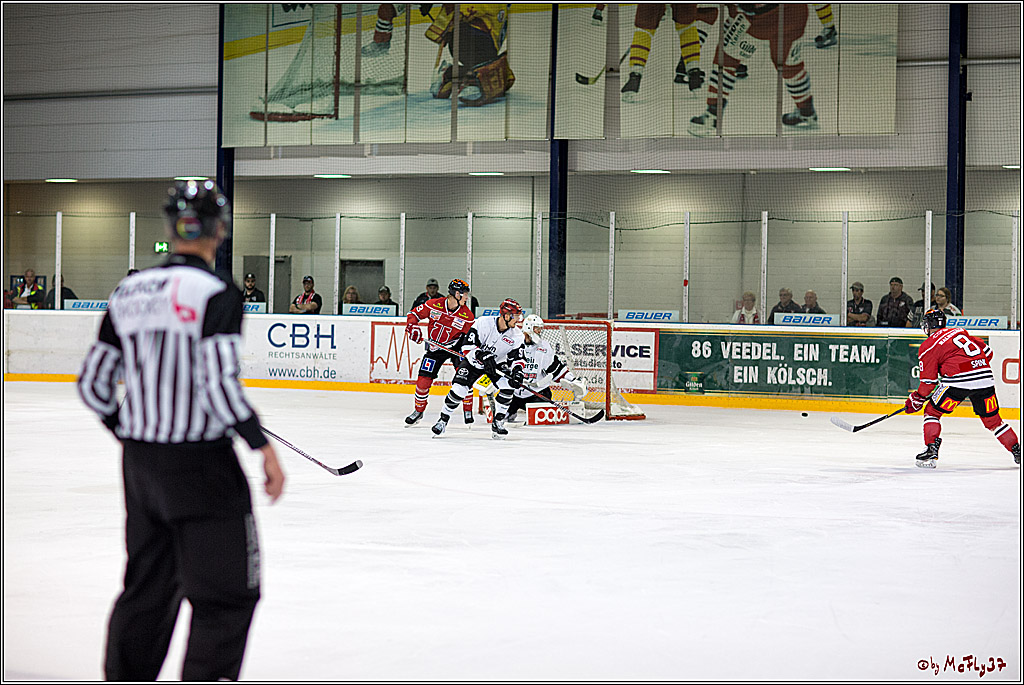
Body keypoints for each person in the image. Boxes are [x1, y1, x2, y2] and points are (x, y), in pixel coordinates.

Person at [77, 180, 285, 681]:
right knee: (228, 596)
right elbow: (217, 385)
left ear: (172, 229)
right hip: (202, 467)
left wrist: (131, 433)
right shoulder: (216, 292)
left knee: (147, 589)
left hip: (141, 466)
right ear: (220, 229)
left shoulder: (129, 290)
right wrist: (262, 446)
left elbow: (94, 385)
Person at [904, 309, 1020, 468]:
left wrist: (917, 398)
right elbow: (988, 352)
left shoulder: (928, 345)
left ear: (929, 325)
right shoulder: (960, 332)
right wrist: (969, 366)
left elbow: (928, 382)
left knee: (932, 411)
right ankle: (1016, 449)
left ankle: (931, 449)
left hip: (958, 383)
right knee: (993, 421)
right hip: (984, 379)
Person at [690, 4, 817, 135]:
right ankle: (806, 110)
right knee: (789, 66)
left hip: (759, 20)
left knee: (726, 61)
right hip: (795, 14)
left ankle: (712, 116)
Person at [430, 298, 526, 440]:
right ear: (506, 316)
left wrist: (518, 371)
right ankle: (443, 420)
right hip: (473, 362)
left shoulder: (517, 335)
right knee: (459, 390)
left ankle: (498, 422)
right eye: (516, 316)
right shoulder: (483, 323)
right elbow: (467, 346)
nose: (518, 320)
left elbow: (518, 358)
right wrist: (483, 355)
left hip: (496, 365)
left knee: (508, 386)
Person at [404, 278, 476, 426]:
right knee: (423, 381)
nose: (467, 297)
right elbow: (413, 314)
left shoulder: (467, 315)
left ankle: (467, 410)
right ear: (456, 294)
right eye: (464, 294)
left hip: (456, 347)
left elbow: (472, 336)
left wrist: (469, 350)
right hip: (435, 348)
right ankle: (418, 411)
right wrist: (412, 327)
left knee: (465, 378)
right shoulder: (434, 305)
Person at [504, 315, 588, 424]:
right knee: (500, 417)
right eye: (537, 328)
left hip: (537, 393)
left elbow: (556, 368)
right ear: (529, 328)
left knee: (540, 422)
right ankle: (511, 411)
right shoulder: (513, 343)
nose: (539, 331)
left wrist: (572, 380)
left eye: (540, 329)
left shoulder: (544, 347)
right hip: (514, 392)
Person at [426, 4, 515, 107]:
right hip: (466, 41)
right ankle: (471, 81)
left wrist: (442, 29)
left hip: (485, 45)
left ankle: (450, 74)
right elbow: (457, 8)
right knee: (489, 70)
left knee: (501, 76)